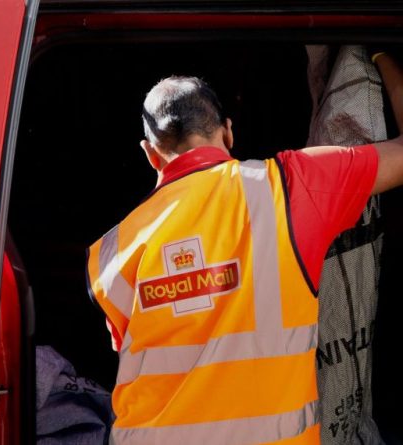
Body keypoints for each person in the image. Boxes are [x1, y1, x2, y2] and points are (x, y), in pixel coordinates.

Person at [86, 51, 403, 445]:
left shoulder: (110, 252)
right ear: (229, 132)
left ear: (150, 154)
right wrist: (380, 55)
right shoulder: (292, 187)